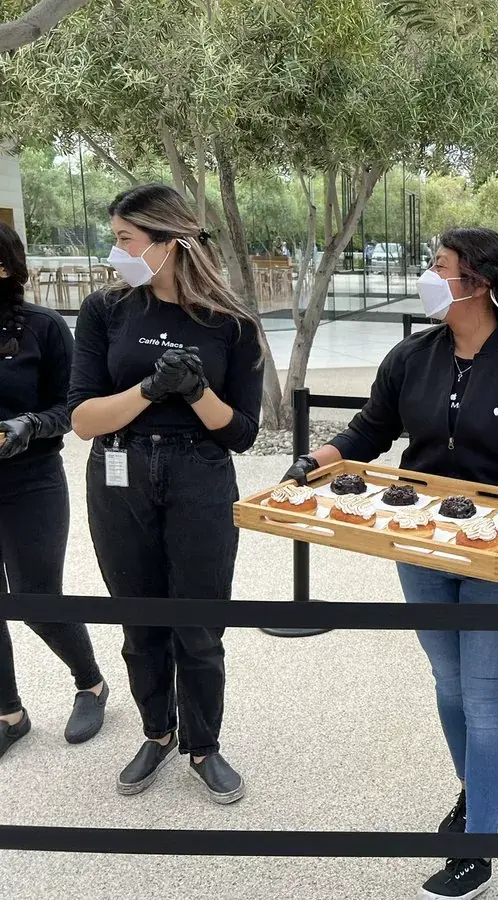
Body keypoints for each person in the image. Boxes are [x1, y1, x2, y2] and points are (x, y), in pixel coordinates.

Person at [282, 227, 498, 900]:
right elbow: (370, 430)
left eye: (440, 268)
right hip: (418, 545)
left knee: (486, 700)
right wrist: (317, 461)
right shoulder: (412, 357)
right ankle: (475, 794)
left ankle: (478, 846)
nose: (429, 277)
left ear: (478, 284)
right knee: (449, 683)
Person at [68, 184, 265, 804]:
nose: (115, 250)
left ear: (168, 243)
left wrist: (197, 391)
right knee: (140, 621)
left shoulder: (232, 324)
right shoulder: (106, 312)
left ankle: (203, 744)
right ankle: (158, 732)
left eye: (125, 238)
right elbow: (82, 418)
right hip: (120, 470)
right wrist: (151, 389)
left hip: (201, 474)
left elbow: (242, 433)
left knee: (200, 626)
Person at [0, 223, 108, 760]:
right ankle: (9, 713)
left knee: (36, 598)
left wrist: (27, 426)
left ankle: (90, 683)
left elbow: (74, 408)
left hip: (30, 481)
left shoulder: (43, 327)